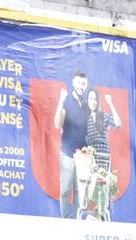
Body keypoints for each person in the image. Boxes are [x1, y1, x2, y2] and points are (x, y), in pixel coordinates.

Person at [53, 70, 90, 218]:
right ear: (73, 83)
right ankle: (64, 219)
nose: (81, 86)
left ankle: (75, 220)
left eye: (84, 83)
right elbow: (57, 124)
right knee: (65, 190)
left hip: (82, 155)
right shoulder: (66, 101)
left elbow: (88, 130)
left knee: (78, 191)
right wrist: (60, 101)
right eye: (79, 82)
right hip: (67, 153)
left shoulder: (87, 107)